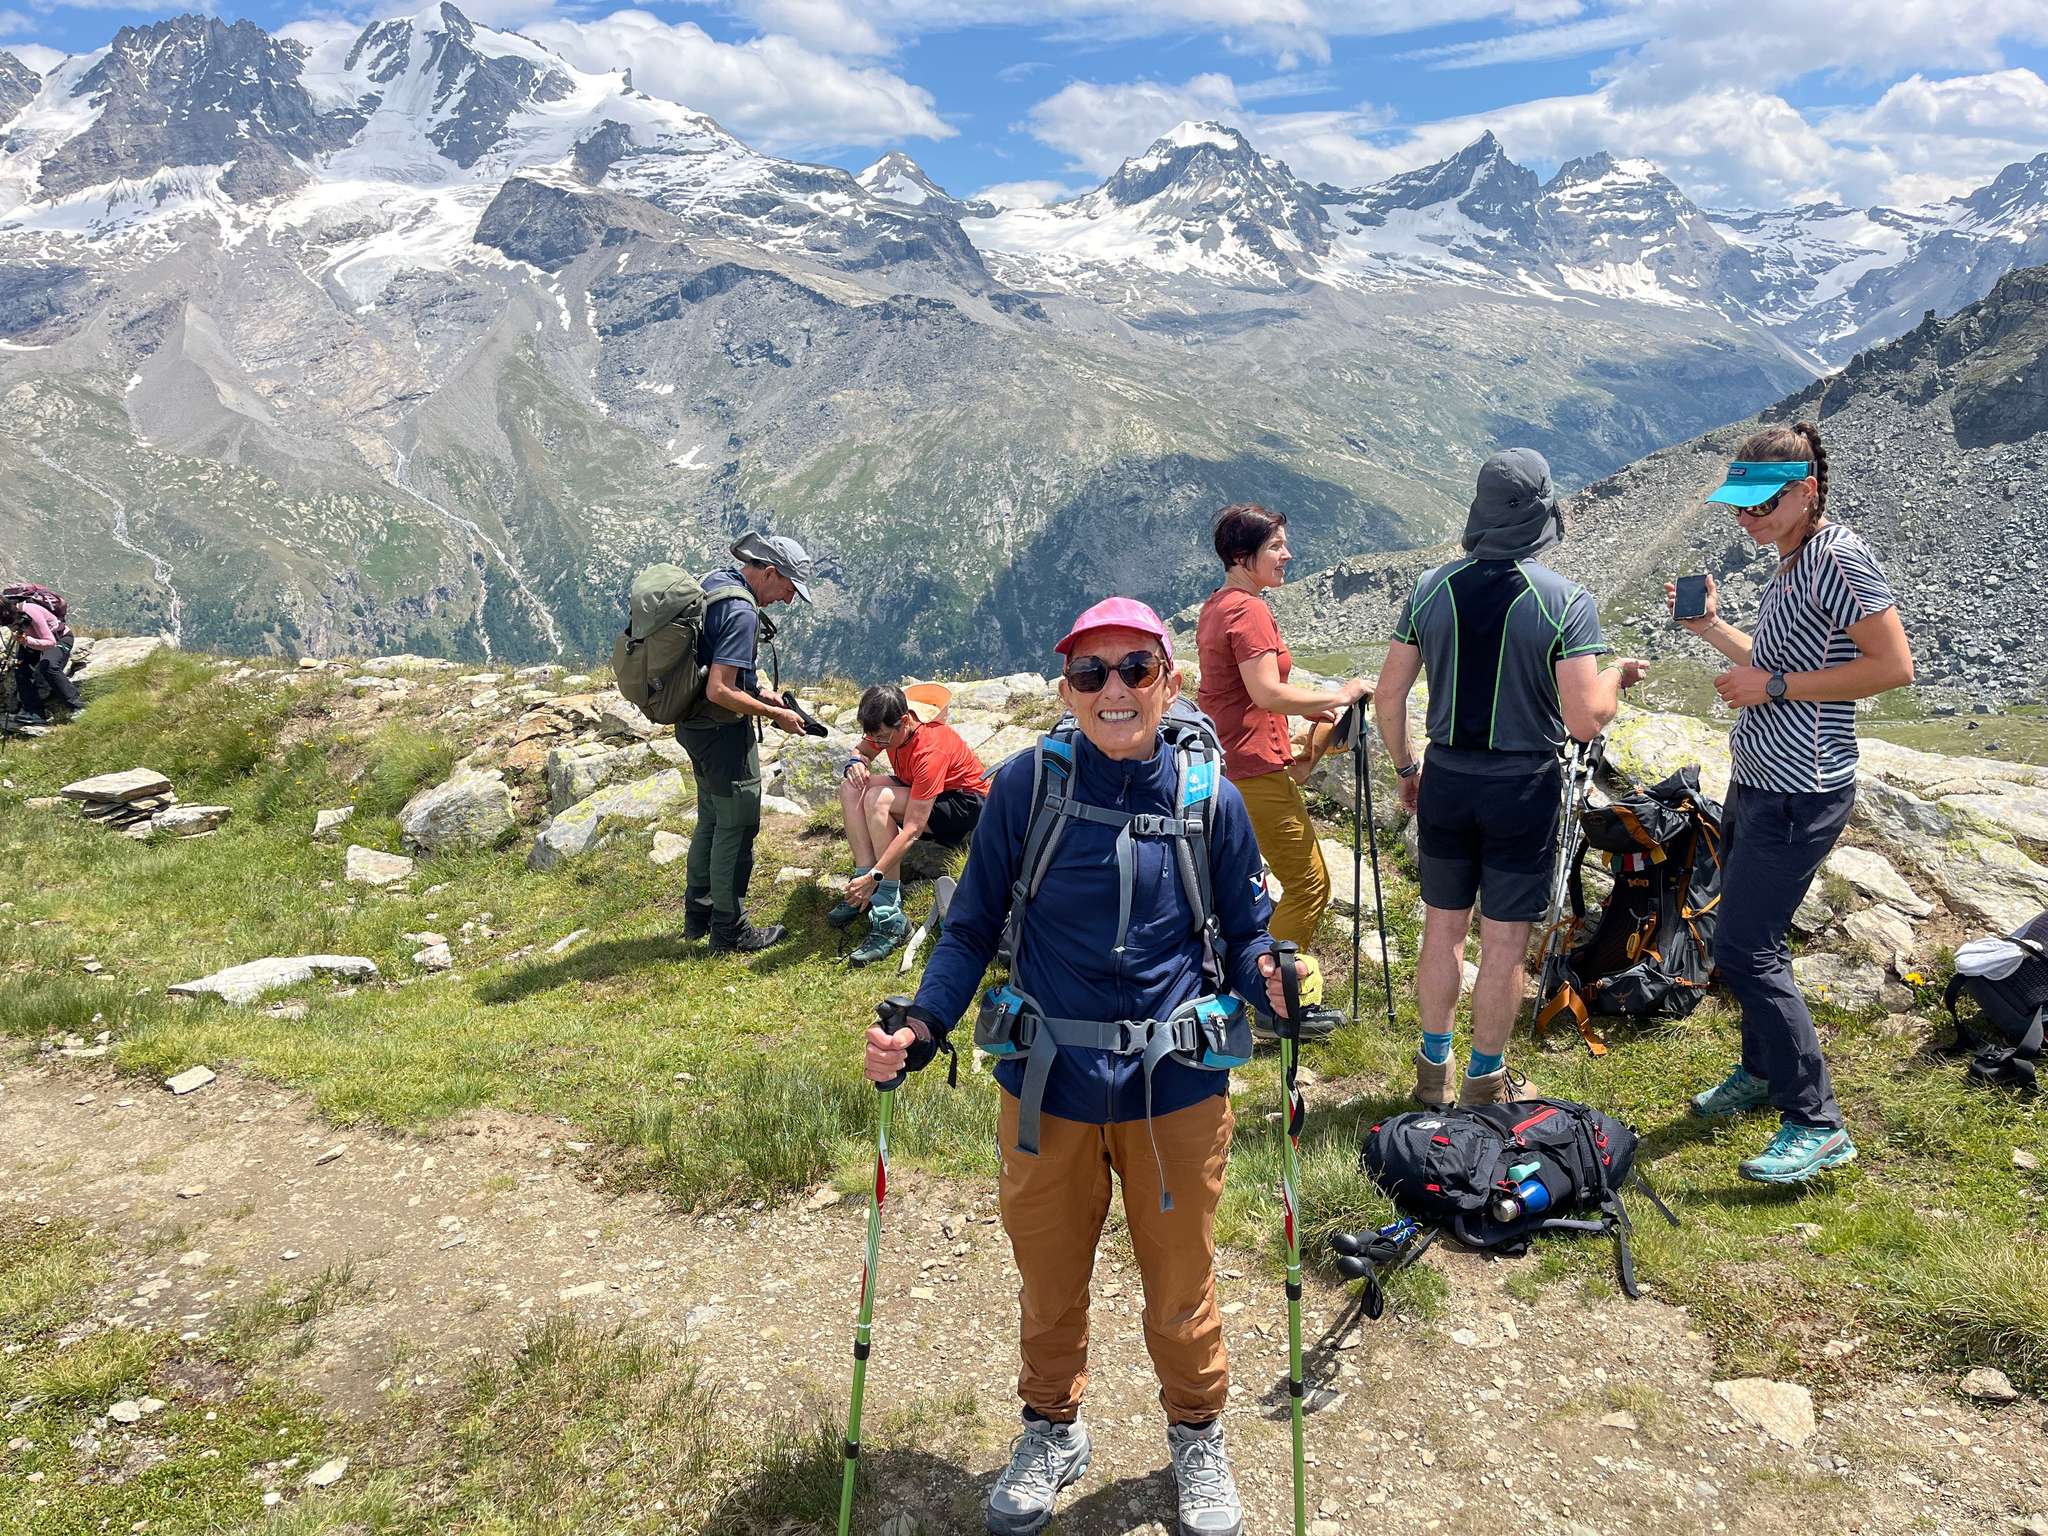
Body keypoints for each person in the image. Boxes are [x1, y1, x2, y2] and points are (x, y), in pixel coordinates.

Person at [864, 597, 1305, 1536]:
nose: (1114, 689)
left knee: (1180, 1284)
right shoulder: (1027, 789)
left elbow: (1245, 933)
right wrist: (925, 1025)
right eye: (1091, 673)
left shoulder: (1211, 800)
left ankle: (1197, 1433)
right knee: (1049, 1277)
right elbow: (971, 927)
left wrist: (1273, 977)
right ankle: (1052, 1428)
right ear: (1067, 690)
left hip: (1176, 1090)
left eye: (1135, 669)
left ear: (1168, 683)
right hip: (1047, 1088)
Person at [1669, 421, 1913, 1184]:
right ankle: (1762, 1070)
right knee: (1742, 936)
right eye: (1739, 506)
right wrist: (1712, 628)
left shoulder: (1837, 556)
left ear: (1806, 491)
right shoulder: (1793, 558)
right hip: (1760, 779)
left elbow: (1892, 666)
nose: (1748, 519)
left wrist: (1772, 688)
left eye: (1763, 504)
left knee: (1749, 949)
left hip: (1802, 790)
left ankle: (1817, 1122)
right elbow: (1773, 660)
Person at [1373, 449, 1647, 1109]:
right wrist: (1616, 677)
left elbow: (1388, 697)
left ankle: (1432, 1072)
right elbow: (1584, 720)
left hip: (1446, 775)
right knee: (1503, 942)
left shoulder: (1430, 589)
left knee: (1442, 929)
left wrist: (1408, 768)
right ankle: (1485, 1081)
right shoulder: (1566, 601)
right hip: (1522, 787)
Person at [1195, 503, 1370, 1038]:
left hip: (1230, 762)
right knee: (1308, 884)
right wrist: (1338, 695)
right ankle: (1275, 1003)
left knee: (1242, 884)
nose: (1287, 554)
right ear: (1242, 556)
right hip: (1252, 770)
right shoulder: (1248, 611)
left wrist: (1306, 709)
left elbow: (1245, 692)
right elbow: (1266, 690)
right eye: (1275, 546)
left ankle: (1247, 985)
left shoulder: (1219, 604)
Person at [679, 532, 815, 953]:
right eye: (789, 589)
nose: (788, 600)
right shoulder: (742, 612)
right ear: (770, 572)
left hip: (692, 725)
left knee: (711, 817)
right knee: (737, 827)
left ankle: (698, 915)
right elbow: (720, 689)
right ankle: (730, 929)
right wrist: (776, 715)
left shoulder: (716, 582)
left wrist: (759, 693)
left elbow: (713, 666)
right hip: (721, 732)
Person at [828, 683, 993, 966]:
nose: (877, 744)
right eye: (872, 736)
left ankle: (889, 912)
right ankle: (862, 881)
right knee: (852, 788)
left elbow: (914, 829)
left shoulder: (930, 750)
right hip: (922, 786)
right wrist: (856, 761)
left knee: (878, 799)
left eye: (882, 738)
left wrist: (877, 875)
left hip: (963, 804)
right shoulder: (891, 726)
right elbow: (863, 749)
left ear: (904, 721)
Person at [0, 590, 83, 724]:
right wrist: (24, 641)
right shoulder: (10, 616)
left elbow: (50, 642)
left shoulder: (31, 611)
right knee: (20, 668)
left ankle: (77, 705)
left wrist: (27, 641)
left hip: (59, 638)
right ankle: (33, 712)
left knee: (48, 666)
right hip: (32, 642)